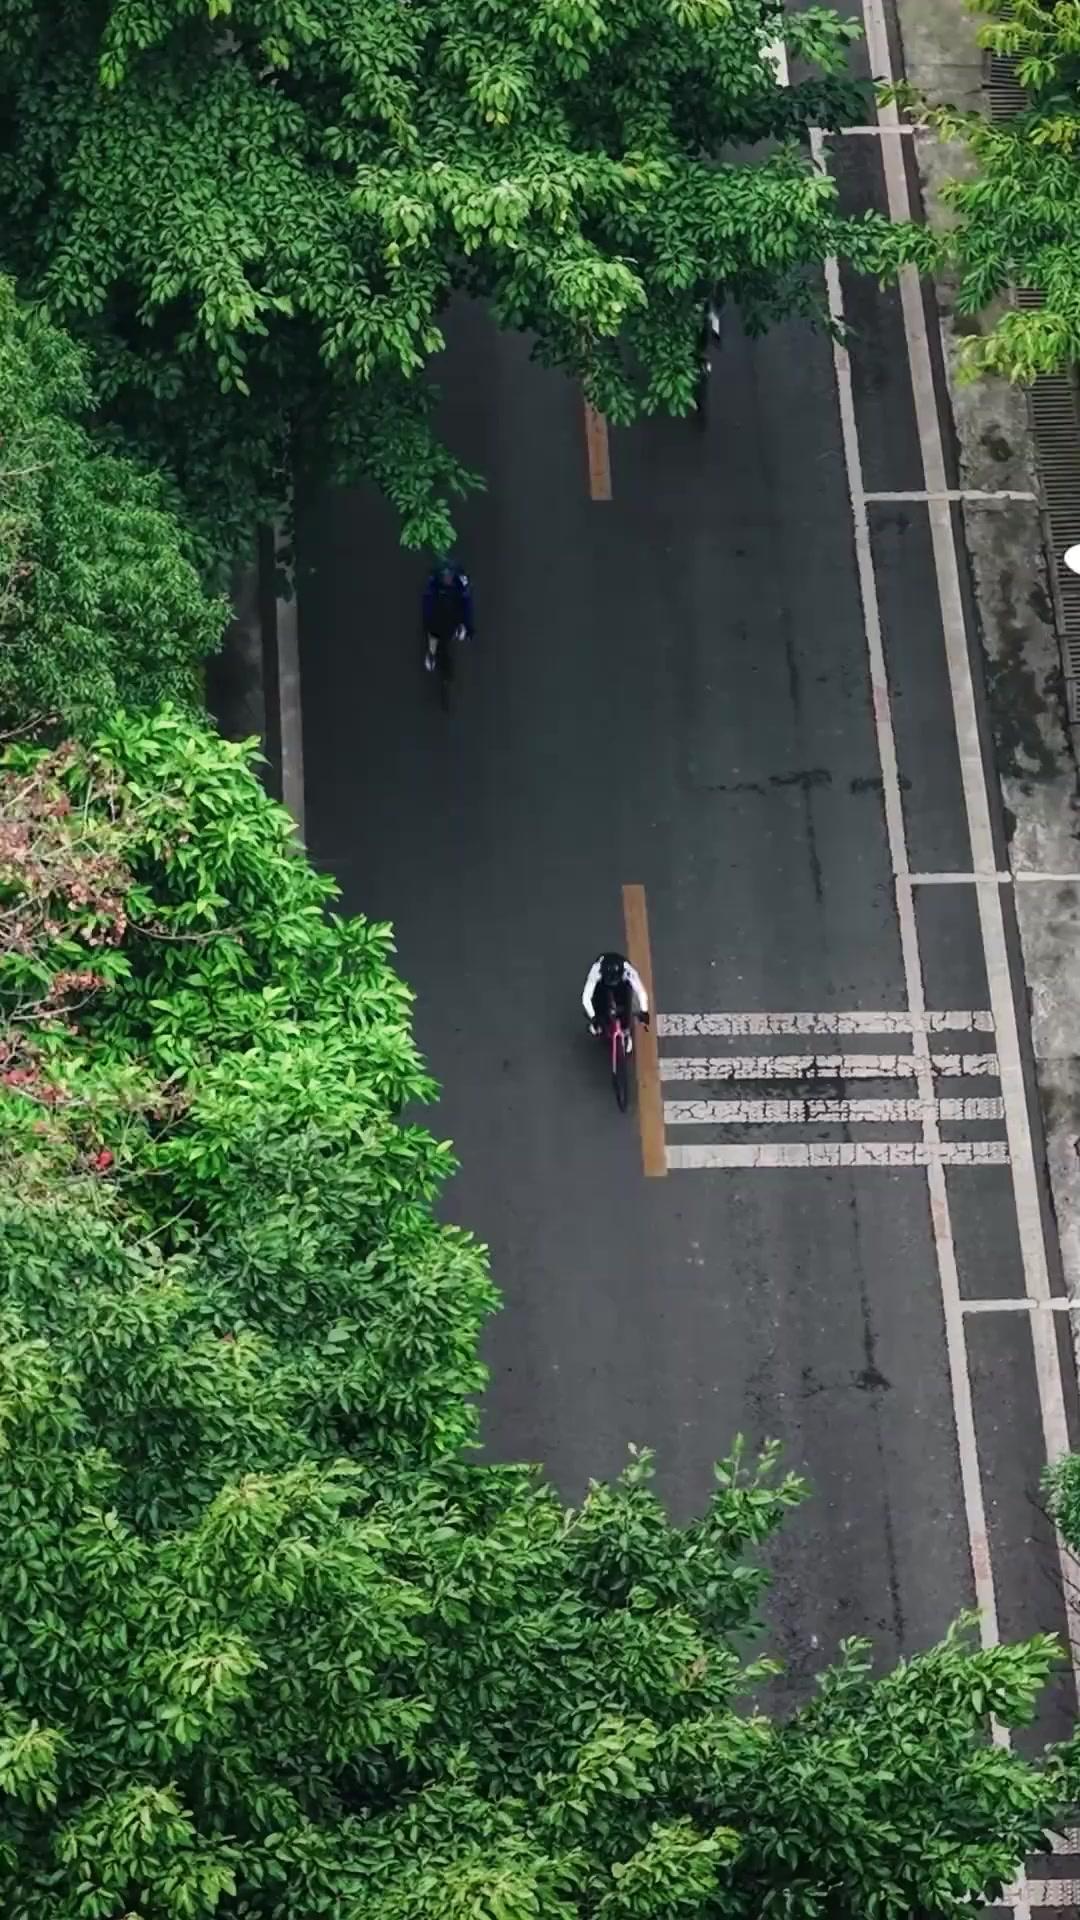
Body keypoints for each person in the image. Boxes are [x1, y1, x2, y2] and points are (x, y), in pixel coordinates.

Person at [582, 952, 650, 1050]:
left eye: (614, 981)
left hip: (622, 984)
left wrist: (644, 1011)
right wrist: (593, 1017)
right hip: (602, 984)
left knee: (626, 1002)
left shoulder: (629, 972)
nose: (612, 983)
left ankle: (626, 1033)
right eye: (611, 981)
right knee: (598, 1000)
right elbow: (586, 997)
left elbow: (641, 992)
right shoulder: (596, 972)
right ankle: (600, 1022)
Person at [422, 558, 474, 672]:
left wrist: (467, 625)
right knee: (434, 633)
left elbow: (467, 606)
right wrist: (428, 620)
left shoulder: (459, 586)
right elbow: (427, 603)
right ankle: (431, 653)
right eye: (445, 576)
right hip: (438, 618)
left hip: (452, 619)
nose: (448, 578)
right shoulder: (434, 586)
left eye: (450, 576)